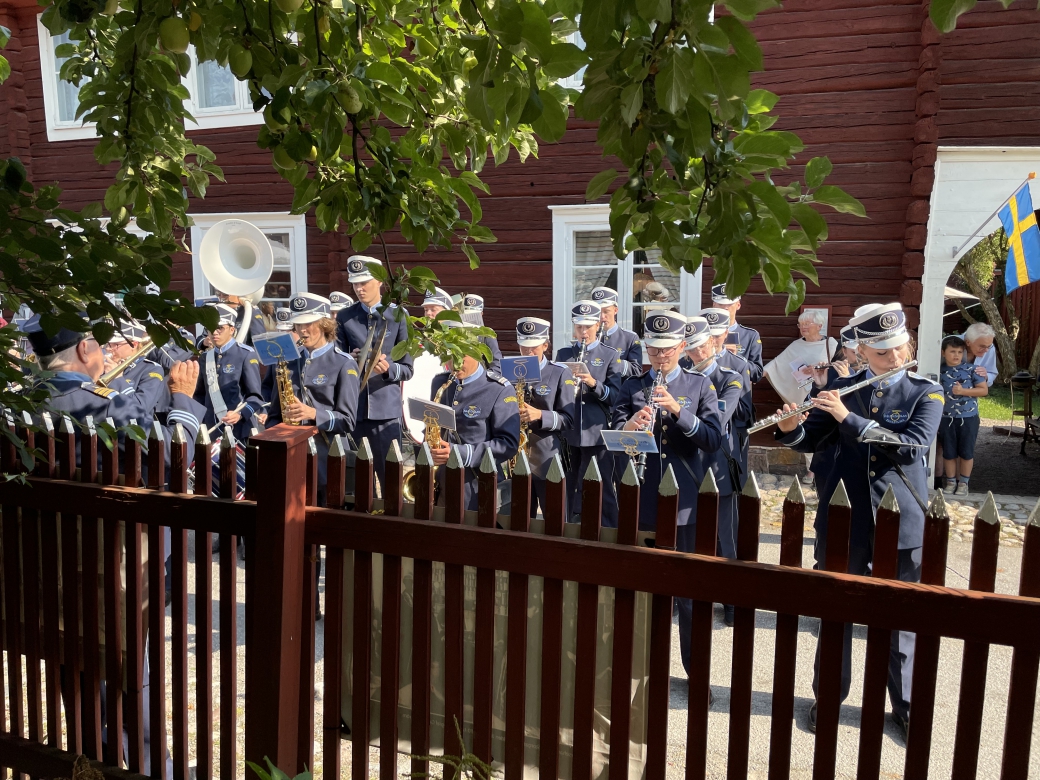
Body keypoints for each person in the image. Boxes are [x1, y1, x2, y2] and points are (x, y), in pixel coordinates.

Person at [26, 314, 203, 777]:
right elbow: (167, 473)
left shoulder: (24, 399)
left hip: (50, 568)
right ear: (85, 350)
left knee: (78, 672)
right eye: (100, 346)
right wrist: (181, 399)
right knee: (130, 682)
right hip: (107, 567)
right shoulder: (92, 403)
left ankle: (93, 760)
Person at [773, 302, 943, 741]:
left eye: (899, 349)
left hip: (899, 522)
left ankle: (905, 705)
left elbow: (911, 446)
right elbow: (813, 438)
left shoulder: (927, 392)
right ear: (863, 351)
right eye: (883, 353)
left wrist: (849, 418)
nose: (895, 359)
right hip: (845, 519)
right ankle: (828, 697)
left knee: (900, 618)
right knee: (836, 614)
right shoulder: (845, 387)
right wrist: (792, 425)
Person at [611, 311, 722, 673]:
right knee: (642, 590)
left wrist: (677, 411)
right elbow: (613, 439)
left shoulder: (699, 385)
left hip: (685, 501)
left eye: (668, 350)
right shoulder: (632, 387)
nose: (661, 358)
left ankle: (696, 672)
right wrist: (630, 425)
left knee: (688, 594)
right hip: (642, 497)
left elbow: (712, 439)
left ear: (682, 347)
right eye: (654, 351)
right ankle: (644, 666)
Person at [682, 315, 746, 626]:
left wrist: (683, 412)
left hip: (718, 463)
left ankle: (731, 601)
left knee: (725, 538)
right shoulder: (680, 378)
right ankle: (691, 597)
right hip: (688, 463)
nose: (698, 353)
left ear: (714, 342)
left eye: (702, 345)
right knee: (690, 534)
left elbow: (717, 420)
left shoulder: (730, 377)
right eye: (691, 348)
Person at [335, 255, 414, 488]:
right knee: (358, 482)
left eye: (364, 283)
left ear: (380, 281)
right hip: (354, 410)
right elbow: (336, 362)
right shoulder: (345, 317)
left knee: (390, 480)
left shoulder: (399, 315)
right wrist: (350, 361)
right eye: (354, 284)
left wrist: (388, 369)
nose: (359, 289)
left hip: (386, 413)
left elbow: (408, 370)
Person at [428, 321, 520, 510]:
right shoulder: (440, 383)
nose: (456, 363)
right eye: (449, 356)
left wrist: (460, 453)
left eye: (462, 355)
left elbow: (508, 444)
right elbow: (431, 427)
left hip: (479, 488)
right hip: (444, 484)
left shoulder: (498, 389)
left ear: (478, 353)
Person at [555, 301, 623, 527]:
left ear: (597, 325)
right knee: (568, 483)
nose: (583, 333)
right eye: (579, 328)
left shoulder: (610, 355)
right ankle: (569, 526)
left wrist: (593, 383)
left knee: (601, 484)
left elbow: (615, 397)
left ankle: (610, 528)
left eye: (588, 327)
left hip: (596, 431)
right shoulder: (565, 353)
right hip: (569, 429)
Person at [515, 317, 576, 517]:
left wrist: (541, 415)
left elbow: (569, 419)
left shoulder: (559, 373)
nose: (528, 352)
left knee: (554, 518)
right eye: (524, 347)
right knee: (518, 517)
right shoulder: (510, 372)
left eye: (533, 347)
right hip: (516, 456)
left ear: (546, 345)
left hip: (548, 456)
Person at [701, 308, 755, 495]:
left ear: (725, 334)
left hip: (726, 438)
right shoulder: (686, 363)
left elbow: (745, 411)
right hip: (694, 439)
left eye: (717, 335)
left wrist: (722, 398)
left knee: (727, 493)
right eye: (708, 336)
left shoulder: (738, 364)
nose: (713, 341)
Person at [192, 303, 265, 442]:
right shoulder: (204, 357)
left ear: (232, 329)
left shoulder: (245, 355)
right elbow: (200, 395)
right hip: (212, 429)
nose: (214, 333)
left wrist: (240, 414)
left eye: (220, 328)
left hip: (240, 429)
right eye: (210, 328)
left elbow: (255, 398)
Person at [938, 335, 987, 496]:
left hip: (968, 417)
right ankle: (951, 481)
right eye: (952, 351)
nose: (956, 355)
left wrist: (963, 391)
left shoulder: (971, 369)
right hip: (946, 417)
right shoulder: (939, 371)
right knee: (949, 452)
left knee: (966, 452)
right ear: (943, 353)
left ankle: (964, 483)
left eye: (960, 352)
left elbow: (983, 390)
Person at [709, 283, 764, 382]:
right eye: (720, 304)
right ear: (714, 305)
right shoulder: (705, 334)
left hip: (738, 394)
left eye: (730, 304)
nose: (725, 308)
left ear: (738, 305)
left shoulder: (750, 335)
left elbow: (757, 374)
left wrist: (735, 359)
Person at [591, 286, 643, 378]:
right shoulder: (588, 337)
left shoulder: (630, 338)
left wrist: (611, 360)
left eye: (606, 311)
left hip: (620, 391)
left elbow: (636, 371)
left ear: (615, 310)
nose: (602, 317)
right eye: (598, 312)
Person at [961, 322, 999, 387]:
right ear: (968, 342)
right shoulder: (948, 344)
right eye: (982, 346)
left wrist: (986, 376)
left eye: (988, 346)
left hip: (972, 393)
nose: (986, 350)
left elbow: (992, 373)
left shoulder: (990, 347)